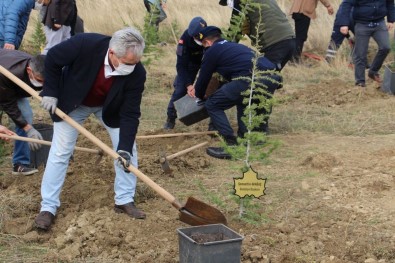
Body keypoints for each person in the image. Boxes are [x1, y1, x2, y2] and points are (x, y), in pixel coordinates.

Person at [34, 27, 147, 231]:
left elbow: (130, 114)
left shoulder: (137, 73)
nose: (132, 68)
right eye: (128, 63)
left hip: (109, 108)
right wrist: (50, 91)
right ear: (112, 53)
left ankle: (124, 199)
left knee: (128, 151)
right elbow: (52, 59)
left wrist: (124, 147)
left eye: (135, 63)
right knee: (60, 152)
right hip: (73, 104)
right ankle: (48, 207)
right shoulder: (85, 44)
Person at [187, 26, 281, 159]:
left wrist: (201, 96)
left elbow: (203, 80)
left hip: (249, 78)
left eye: (203, 44)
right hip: (271, 77)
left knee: (213, 104)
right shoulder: (234, 46)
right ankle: (252, 137)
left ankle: (231, 145)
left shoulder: (212, 51)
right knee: (243, 100)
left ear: (207, 42)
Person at [0, 49, 45, 176]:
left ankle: (19, 163)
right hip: (2, 85)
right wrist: (28, 128)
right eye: (40, 81)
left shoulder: (38, 65)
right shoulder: (7, 73)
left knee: (26, 116)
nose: (43, 84)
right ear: (29, 71)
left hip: (13, 88)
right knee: (22, 122)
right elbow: (8, 104)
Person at [219, 0, 296, 71]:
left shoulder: (239, 1)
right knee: (270, 78)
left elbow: (235, 29)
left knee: (260, 78)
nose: (230, 7)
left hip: (275, 43)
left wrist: (221, 50)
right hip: (290, 39)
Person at [163, 16, 207, 130]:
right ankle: (170, 118)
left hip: (207, 63)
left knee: (208, 89)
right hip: (189, 65)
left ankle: (213, 123)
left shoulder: (209, 35)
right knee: (180, 90)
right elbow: (181, 66)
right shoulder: (184, 40)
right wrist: (188, 85)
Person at [339, 0, 394, 87]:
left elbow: (390, 2)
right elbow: (346, 4)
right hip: (362, 24)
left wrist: (391, 20)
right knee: (360, 54)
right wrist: (344, 24)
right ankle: (360, 82)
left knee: (385, 47)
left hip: (379, 23)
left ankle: (373, 71)